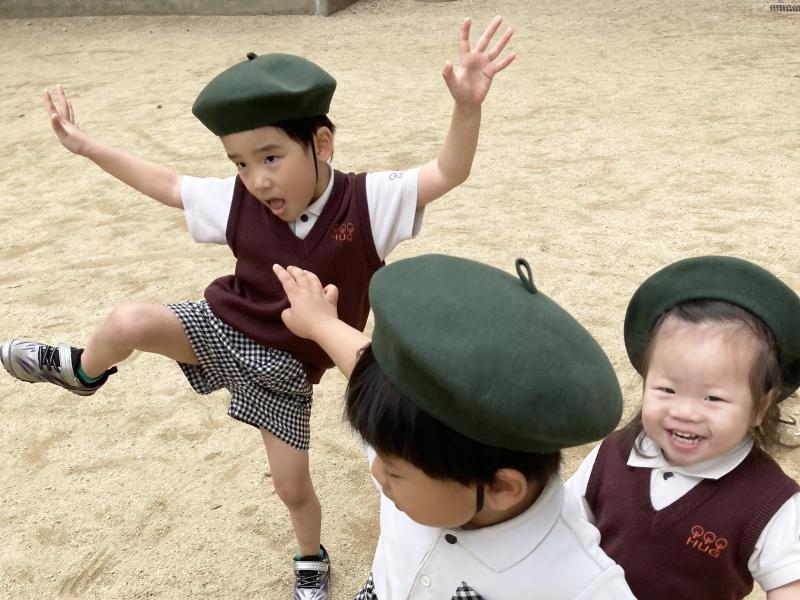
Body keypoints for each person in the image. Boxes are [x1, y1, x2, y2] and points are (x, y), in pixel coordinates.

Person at [1, 17, 515, 599]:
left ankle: (309, 556)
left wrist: (467, 108)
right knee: (128, 321)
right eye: (240, 162)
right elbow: (169, 185)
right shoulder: (236, 199)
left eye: (270, 157)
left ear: (321, 143)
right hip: (220, 327)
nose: (256, 180)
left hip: (285, 372)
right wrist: (85, 144)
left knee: (291, 487)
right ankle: (81, 372)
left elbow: (448, 172)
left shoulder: (370, 201)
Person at [273, 254, 637, 599]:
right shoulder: (421, 444)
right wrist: (321, 324)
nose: (377, 474)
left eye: (396, 474)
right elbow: (378, 370)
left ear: (501, 487)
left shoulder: (578, 586)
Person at [565, 255, 800, 600]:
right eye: (667, 390)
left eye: (713, 398)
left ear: (760, 406)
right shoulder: (612, 455)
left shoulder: (769, 499)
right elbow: (563, 524)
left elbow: (789, 583)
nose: (686, 412)